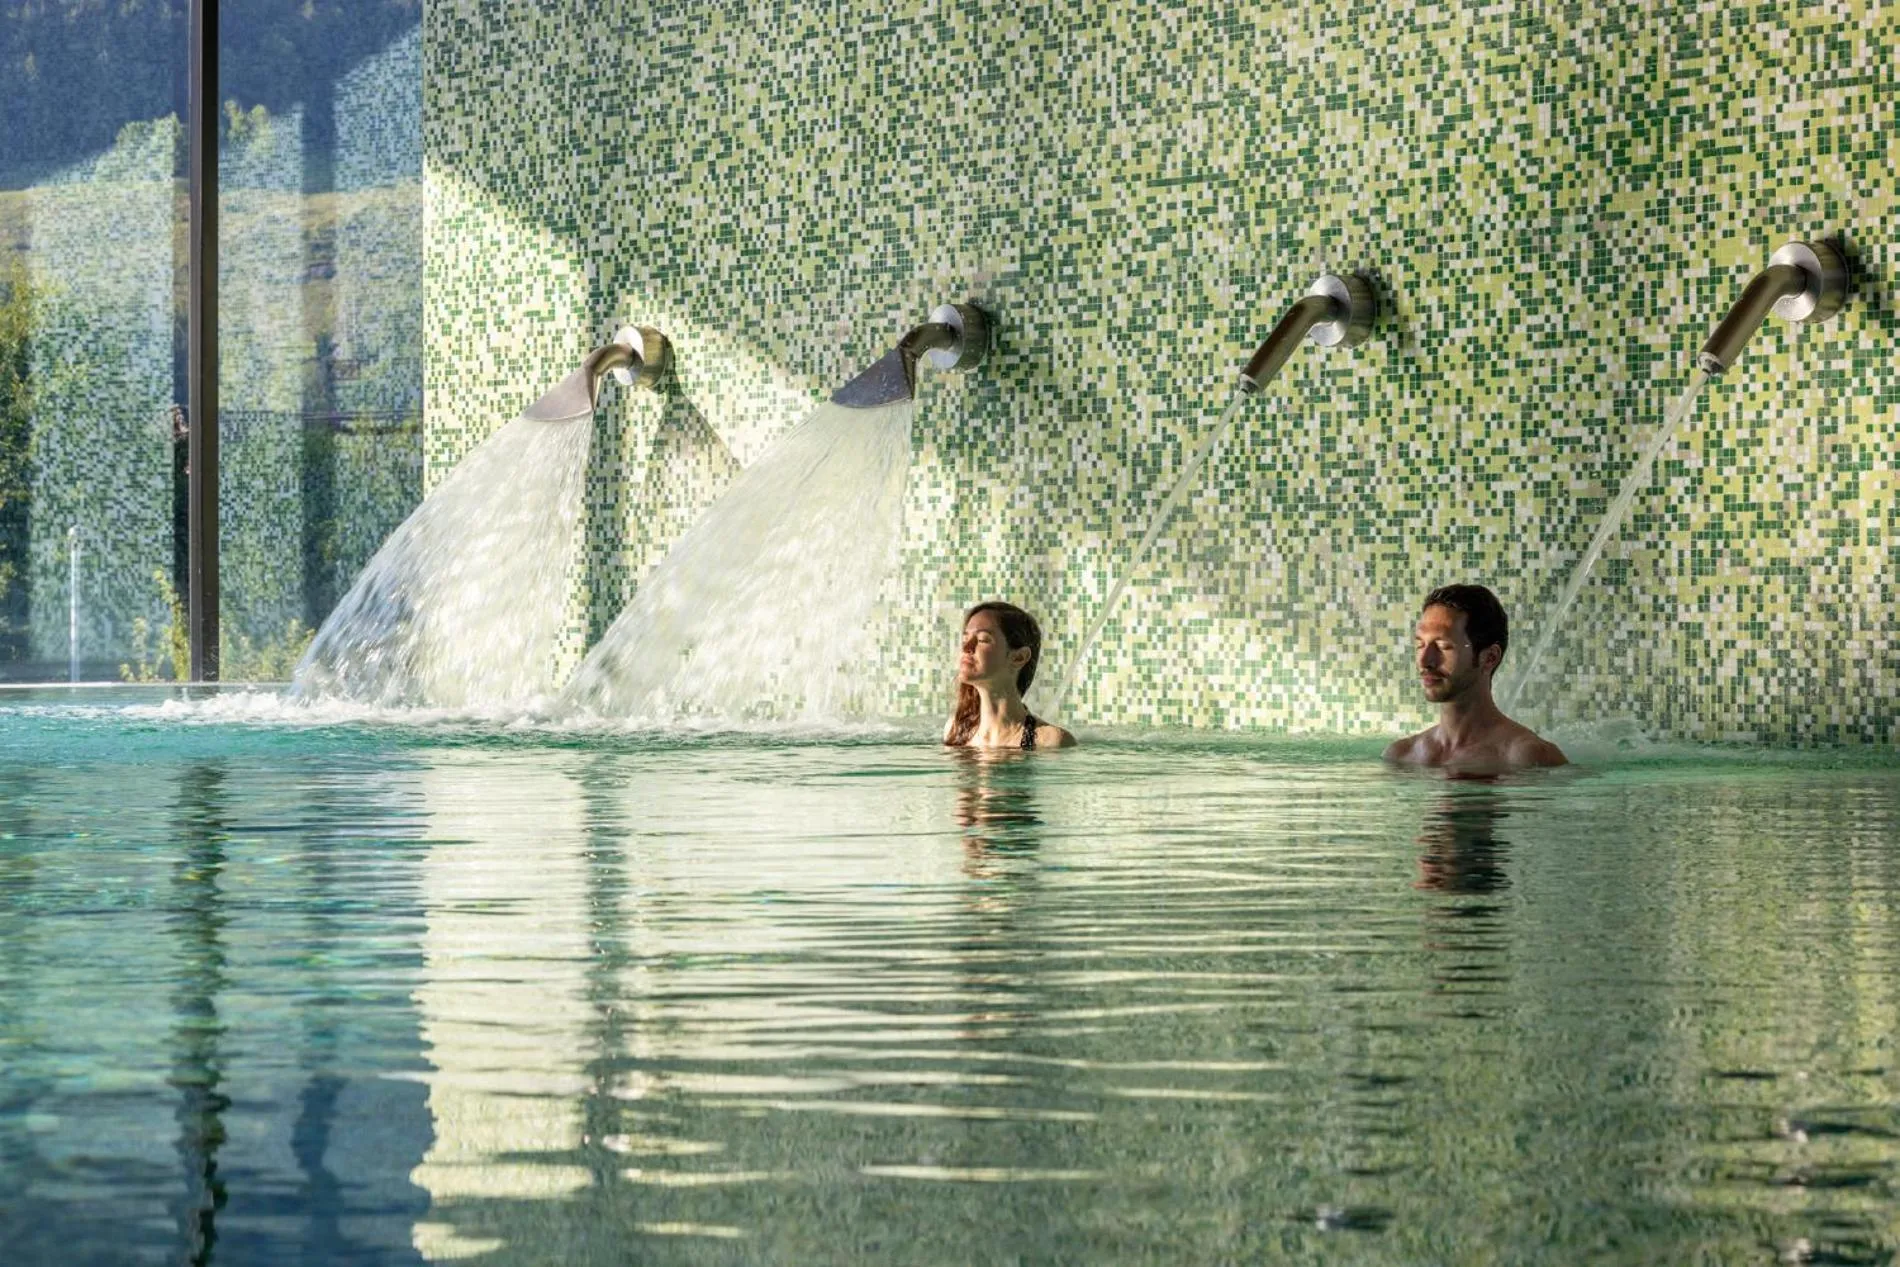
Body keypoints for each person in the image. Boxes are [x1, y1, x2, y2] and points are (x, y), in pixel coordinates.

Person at [1384, 584, 1566, 769]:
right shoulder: (1402, 756)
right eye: (1421, 645)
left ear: (1489, 658)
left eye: (1444, 646)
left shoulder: (1527, 758)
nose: (1425, 661)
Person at [943, 602, 1076, 750]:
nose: (966, 647)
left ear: (1019, 657)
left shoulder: (1050, 741)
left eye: (982, 640)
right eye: (964, 639)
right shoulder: (955, 732)